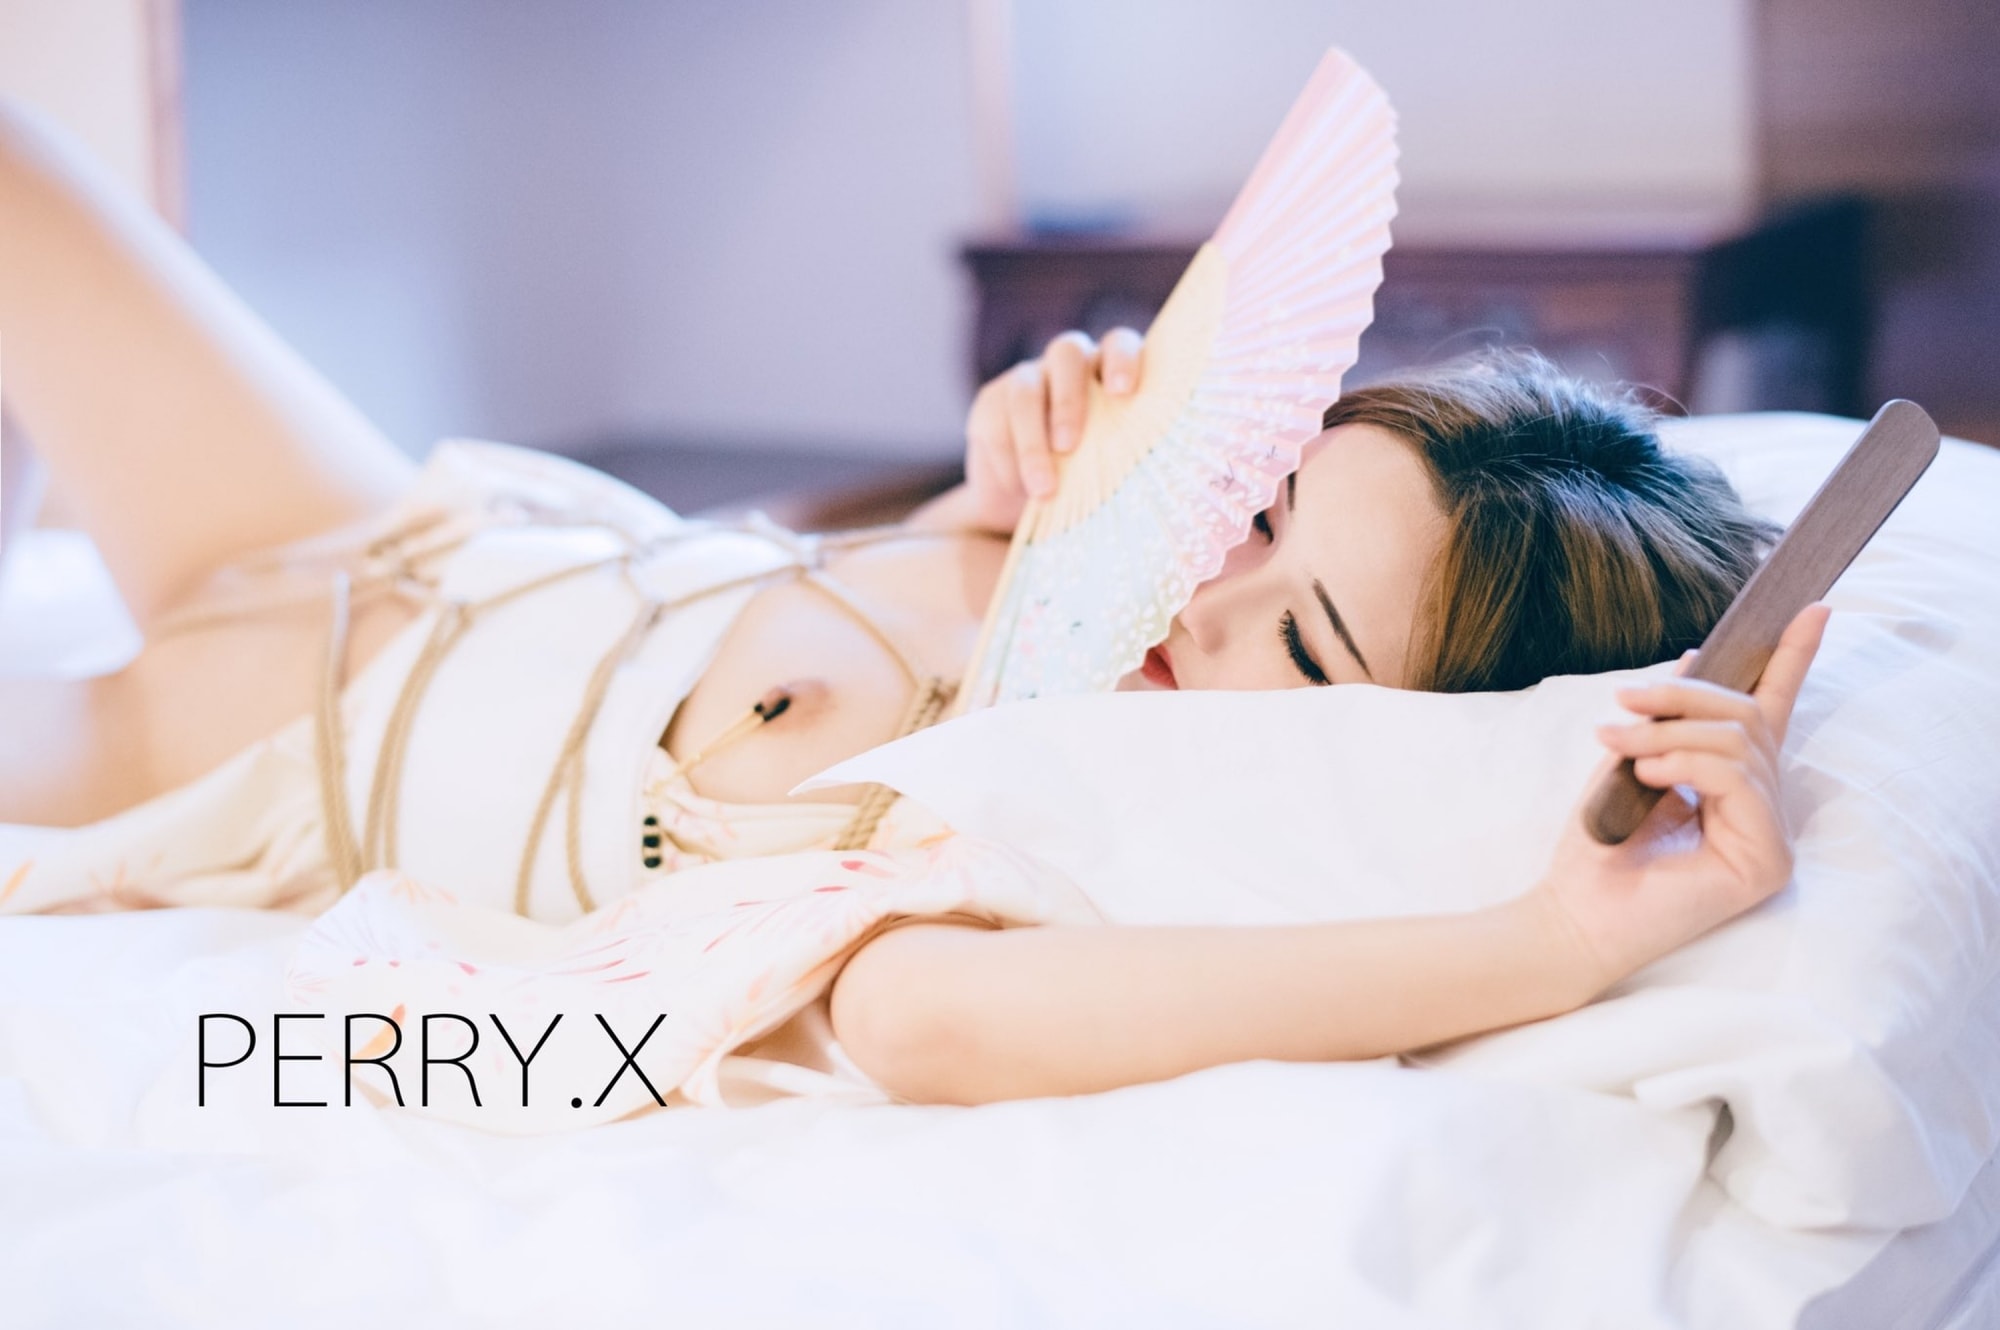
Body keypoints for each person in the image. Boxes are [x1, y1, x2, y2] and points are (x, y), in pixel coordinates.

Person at [0, 99, 1827, 1105]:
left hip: (261, 753)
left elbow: (920, 1026)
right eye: (1268, 509)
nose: (1211, 584)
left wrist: (1555, 937)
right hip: (429, 535)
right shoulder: (1113, 565)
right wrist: (997, 486)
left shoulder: (1055, 822)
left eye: (1299, 637)